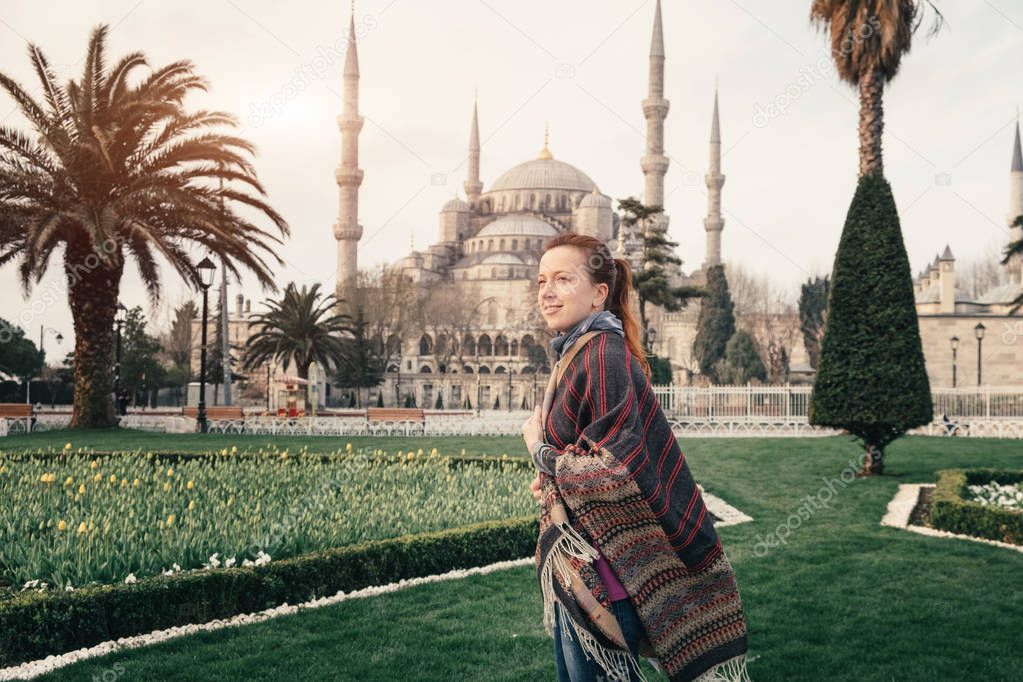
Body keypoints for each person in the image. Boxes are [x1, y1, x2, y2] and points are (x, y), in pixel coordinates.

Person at [522, 233, 750, 682]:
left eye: (563, 279)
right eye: (542, 280)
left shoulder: (602, 353)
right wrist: (553, 479)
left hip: (606, 581)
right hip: (582, 571)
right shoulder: (579, 350)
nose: (547, 291)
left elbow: (615, 468)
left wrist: (540, 453)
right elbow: (589, 453)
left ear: (599, 293)